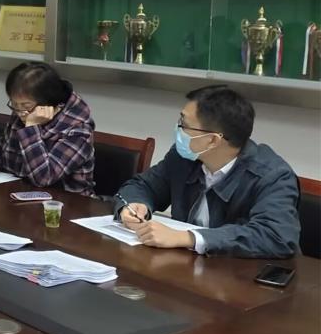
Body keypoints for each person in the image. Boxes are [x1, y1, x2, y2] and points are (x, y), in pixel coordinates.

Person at [115, 85, 299, 258]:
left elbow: (275, 236)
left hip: (240, 275)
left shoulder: (273, 176)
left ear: (212, 140)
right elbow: (142, 185)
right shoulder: (183, 158)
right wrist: (136, 204)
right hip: (185, 266)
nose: (178, 129)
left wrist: (188, 237)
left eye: (184, 124)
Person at [0, 63, 96, 196]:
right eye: (14, 104)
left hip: (67, 203)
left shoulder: (78, 130)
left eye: (26, 106)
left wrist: (31, 128)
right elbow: (1, 148)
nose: (20, 113)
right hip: (16, 194)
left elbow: (44, 178)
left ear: (48, 102)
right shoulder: (23, 111)